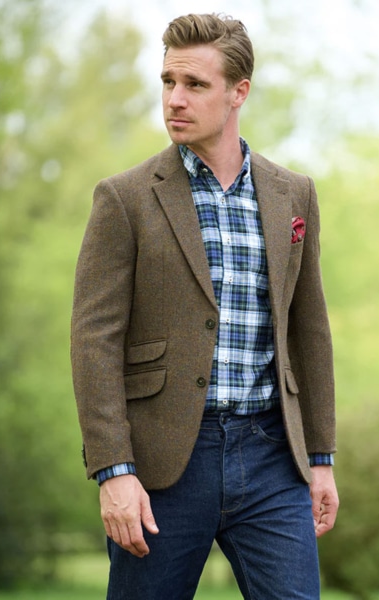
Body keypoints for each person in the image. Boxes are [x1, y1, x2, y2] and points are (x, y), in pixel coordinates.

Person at [71, 12, 338, 600]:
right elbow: (94, 340)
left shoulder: (293, 194)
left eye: (195, 84)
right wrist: (113, 470)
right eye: (168, 81)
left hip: (273, 458)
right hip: (164, 464)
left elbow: (309, 330)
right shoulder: (124, 198)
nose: (175, 98)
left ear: (238, 92)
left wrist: (320, 456)